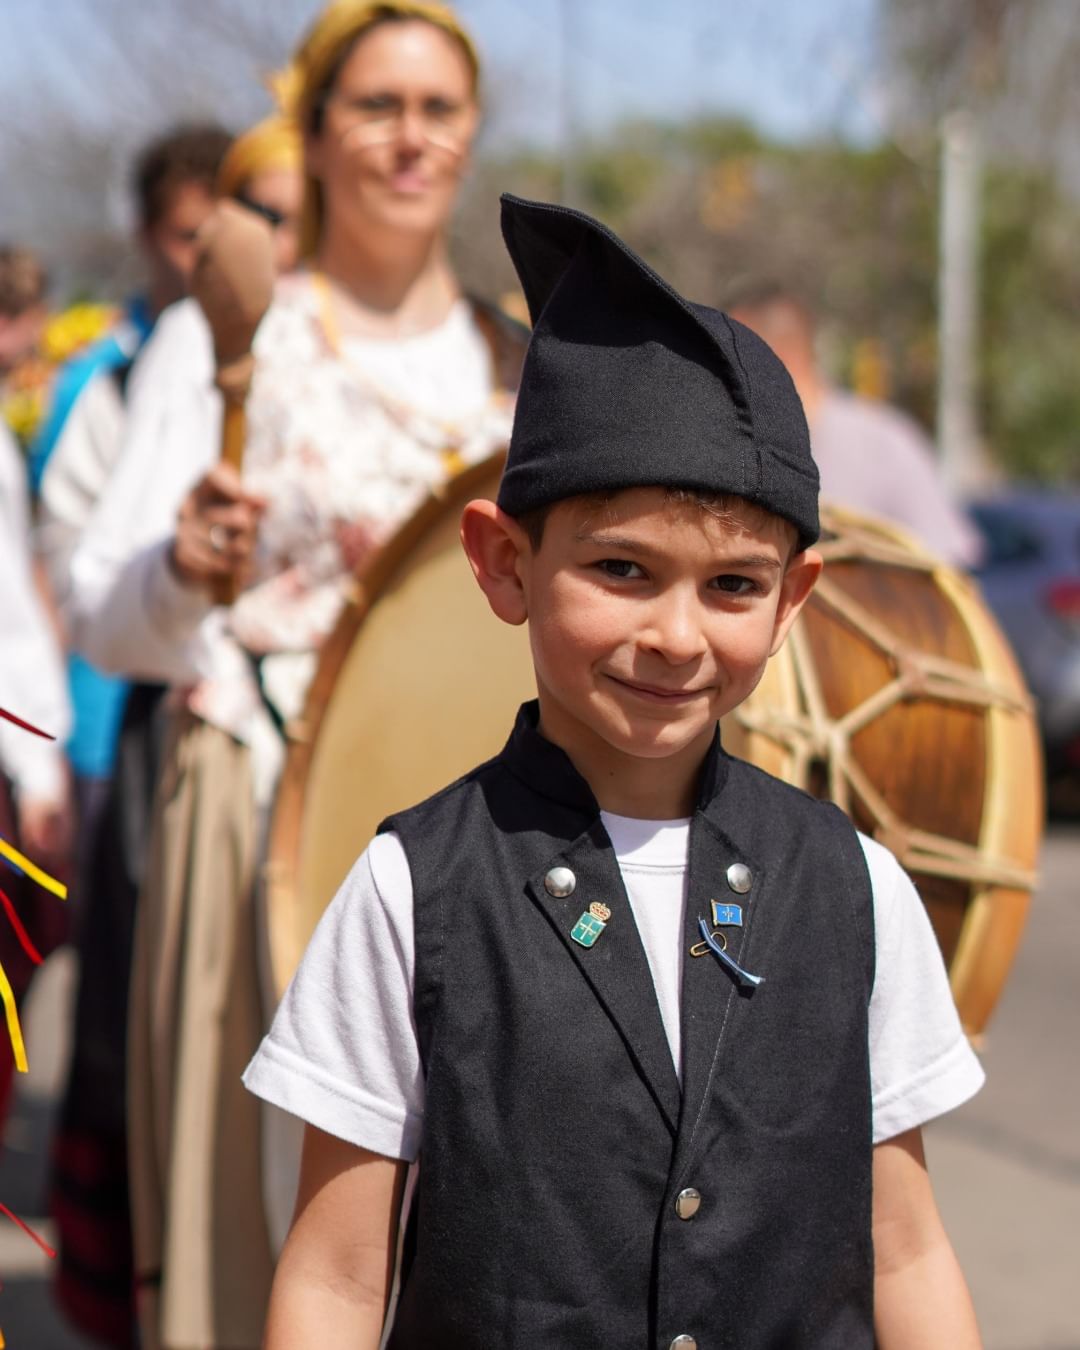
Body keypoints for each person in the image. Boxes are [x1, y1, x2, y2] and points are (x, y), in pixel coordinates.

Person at [245, 195, 985, 1348]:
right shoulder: (412, 891)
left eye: (733, 585)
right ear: (505, 565)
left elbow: (908, 1247)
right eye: (623, 569)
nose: (678, 636)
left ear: (793, 602)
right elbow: (336, 1281)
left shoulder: (857, 888)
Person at [67, 4, 523, 1348]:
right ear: (314, 133)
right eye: (375, 106)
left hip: (483, 827)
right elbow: (105, 611)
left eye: (438, 108)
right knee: (274, 1209)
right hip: (262, 805)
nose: (410, 138)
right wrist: (179, 569)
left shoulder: (515, 359)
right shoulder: (232, 336)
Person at [43, 118, 301, 1350]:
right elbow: (71, 586)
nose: (245, 255)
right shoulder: (138, 371)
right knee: (153, 1079)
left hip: (334, 774)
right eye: (222, 230)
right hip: (152, 753)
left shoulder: (458, 352)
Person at [728, 281, 982, 568]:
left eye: (731, 357)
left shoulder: (884, 443)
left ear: (777, 356)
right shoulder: (732, 446)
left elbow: (951, 562)